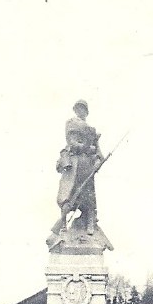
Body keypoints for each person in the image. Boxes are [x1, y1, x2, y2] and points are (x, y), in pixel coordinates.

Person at [56, 100, 103, 235]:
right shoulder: (71, 123)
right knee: (68, 194)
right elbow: (72, 143)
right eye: (79, 108)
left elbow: (98, 152)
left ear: (86, 112)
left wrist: (98, 160)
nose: (81, 111)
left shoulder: (92, 130)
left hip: (86, 164)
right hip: (73, 163)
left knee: (88, 196)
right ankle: (63, 225)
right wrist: (88, 147)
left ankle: (90, 223)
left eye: (83, 109)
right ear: (75, 110)